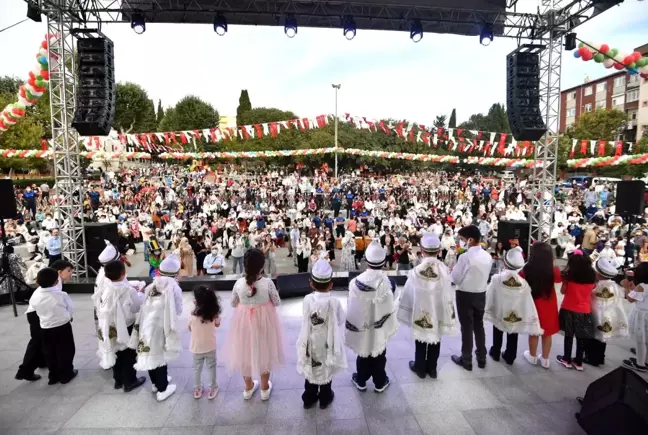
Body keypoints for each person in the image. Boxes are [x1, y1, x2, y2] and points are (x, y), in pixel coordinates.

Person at [222, 248, 284, 401]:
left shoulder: (238, 283)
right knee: (265, 352)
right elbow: (276, 302)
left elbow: (233, 303)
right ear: (262, 266)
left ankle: (248, 388)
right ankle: (264, 389)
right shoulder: (268, 283)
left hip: (244, 323)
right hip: (265, 324)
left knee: (245, 353)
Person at [397, 233, 457, 379]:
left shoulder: (416, 271)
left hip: (421, 311)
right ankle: (432, 368)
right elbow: (448, 293)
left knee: (420, 339)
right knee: (436, 338)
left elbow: (408, 293)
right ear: (438, 251)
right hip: (437, 311)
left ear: (422, 251)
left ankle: (420, 368)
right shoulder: (444, 270)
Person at [129, 254, 184, 401]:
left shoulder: (152, 285)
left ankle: (155, 383)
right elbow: (178, 310)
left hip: (145, 325)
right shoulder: (173, 287)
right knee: (159, 355)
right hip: (160, 326)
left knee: (148, 352)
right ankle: (162, 389)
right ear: (176, 272)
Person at [346, 239, 398, 393]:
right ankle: (380, 382)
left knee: (363, 352)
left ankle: (361, 380)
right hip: (379, 328)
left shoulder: (354, 282)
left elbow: (352, 306)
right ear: (383, 263)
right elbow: (393, 300)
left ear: (367, 262)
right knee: (380, 353)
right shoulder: (390, 283)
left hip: (362, 327)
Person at [296, 259, 347, 409]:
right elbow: (341, 319)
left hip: (310, 341)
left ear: (311, 284)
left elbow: (305, 318)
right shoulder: (334, 302)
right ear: (331, 284)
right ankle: (325, 398)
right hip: (327, 342)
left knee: (312, 366)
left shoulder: (307, 299)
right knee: (326, 367)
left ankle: (309, 398)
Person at [485, 247, 543, 365]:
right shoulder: (523, 283)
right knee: (513, 331)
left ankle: (495, 352)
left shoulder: (497, 278)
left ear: (505, 263)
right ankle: (510, 356)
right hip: (515, 313)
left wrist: (486, 308)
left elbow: (489, 294)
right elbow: (526, 301)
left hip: (500, 310)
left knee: (498, 328)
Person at [96, 260, 146, 392]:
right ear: (123, 273)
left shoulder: (105, 289)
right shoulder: (128, 290)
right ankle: (130, 381)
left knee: (115, 351)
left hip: (110, 327)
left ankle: (118, 380)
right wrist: (140, 294)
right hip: (126, 326)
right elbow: (135, 308)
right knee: (128, 354)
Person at [450, 225, 492, 371]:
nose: (460, 242)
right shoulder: (487, 256)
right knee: (479, 326)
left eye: (462, 239)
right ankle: (482, 358)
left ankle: (466, 359)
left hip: (465, 295)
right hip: (481, 293)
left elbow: (455, 279)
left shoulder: (465, 257)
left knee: (466, 327)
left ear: (470, 239)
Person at [28, 267, 77, 385]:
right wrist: (68, 316)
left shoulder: (35, 296)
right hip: (62, 327)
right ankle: (66, 374)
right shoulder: (61, 295)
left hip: (45, 328)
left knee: (49, 352)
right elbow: (70, 309)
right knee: (66, 350)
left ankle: (53, 376)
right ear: (56, 281)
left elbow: (34, 310)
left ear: (37, 282)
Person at [520, 242, 560, 368]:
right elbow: (559, 279)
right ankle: (545, 359)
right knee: (547, 332)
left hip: (533, 302)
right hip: (549, 303)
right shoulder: (554, 270)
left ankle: (532, 356)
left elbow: (519, 278)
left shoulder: (527, 269)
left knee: (534, 331)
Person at [584, 258, 629, 366]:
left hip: (597, 316)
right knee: (602, 339)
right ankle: (600, 358)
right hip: (609, 316)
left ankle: (592, 359)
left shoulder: (599, 286)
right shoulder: (613, 285)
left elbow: (594, 300)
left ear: (599, 274)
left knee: (594, 339)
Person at [556, 251, 596, 371]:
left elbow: (563, 291)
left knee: (568, 335)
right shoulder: (592, 276)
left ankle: (566, 359)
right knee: (581, 336)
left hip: (569, 308)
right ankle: (578, 362)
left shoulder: (569, 276)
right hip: (584, 310)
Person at [189, 285, 222, 400]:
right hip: (210, 346)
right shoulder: (213, 314)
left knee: (197, 368)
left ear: (196, 301)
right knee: (211, 367)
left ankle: (197, 389)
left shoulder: (193, 315)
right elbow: (218, 324)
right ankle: (212, 388)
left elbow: (189, 328)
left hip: (196, 347)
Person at [623, 263, 648, 372]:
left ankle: (640, 364)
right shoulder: (642, 286)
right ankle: (645, 361)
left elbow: (630, 299)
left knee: (640, 340)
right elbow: (640, 295)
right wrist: (633, 287)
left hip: (641, 315)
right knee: (646, 339)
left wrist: (626, 288)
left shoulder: (642, 286)